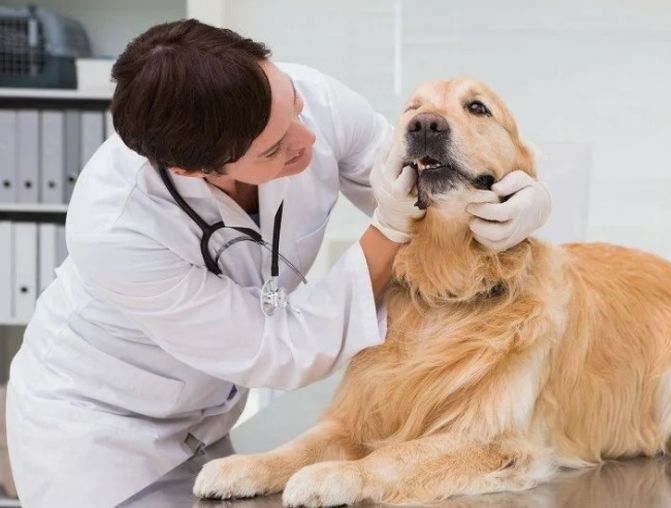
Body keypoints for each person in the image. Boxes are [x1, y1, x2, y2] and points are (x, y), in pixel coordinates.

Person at [5, 19, 552, 508]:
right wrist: (386, 230)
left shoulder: (308, 101)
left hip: (210, 422)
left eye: (293, 107)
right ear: (196, 170)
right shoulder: (117, 229)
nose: (308, 139)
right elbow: (277, 349)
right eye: (274, 149)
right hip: (101, 439)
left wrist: (529, 198)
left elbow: (419, 182)